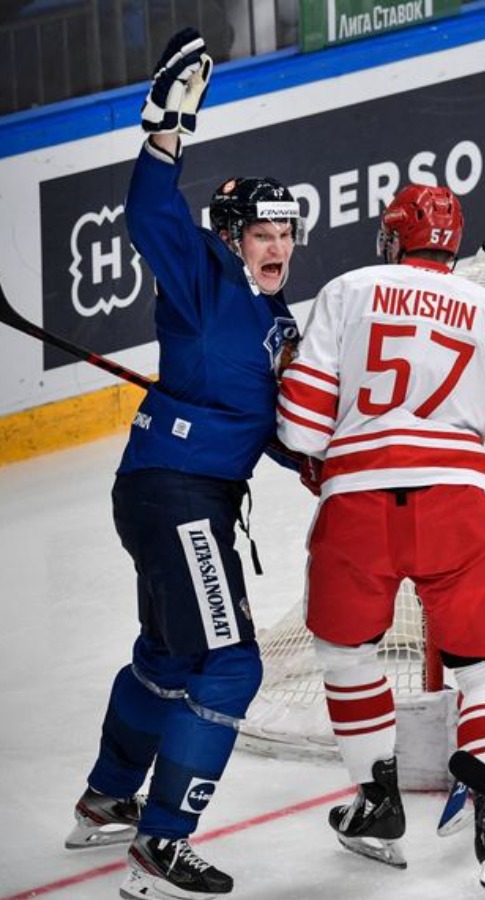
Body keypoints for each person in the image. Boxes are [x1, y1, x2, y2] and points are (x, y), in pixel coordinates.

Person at [275, 184, 485, 900]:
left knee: (345, 655)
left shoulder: (347, 290)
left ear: (390, 238)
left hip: (357, 508)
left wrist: (324, 460)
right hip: (461, 506)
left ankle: (376, 804)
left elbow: (302, 431)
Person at [66, 28, 306, 900]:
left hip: (173, 492)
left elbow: (281, 430)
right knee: (232, 663)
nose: (278, 244)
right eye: (263, 231)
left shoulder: (279, 326)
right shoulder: (203, 275)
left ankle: (106, 799)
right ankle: (162, 843)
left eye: (287, 231)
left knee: (169, 659)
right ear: (232, 235)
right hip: (178, 497)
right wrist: (167, 129)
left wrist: (318, 462)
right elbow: (150, 211)